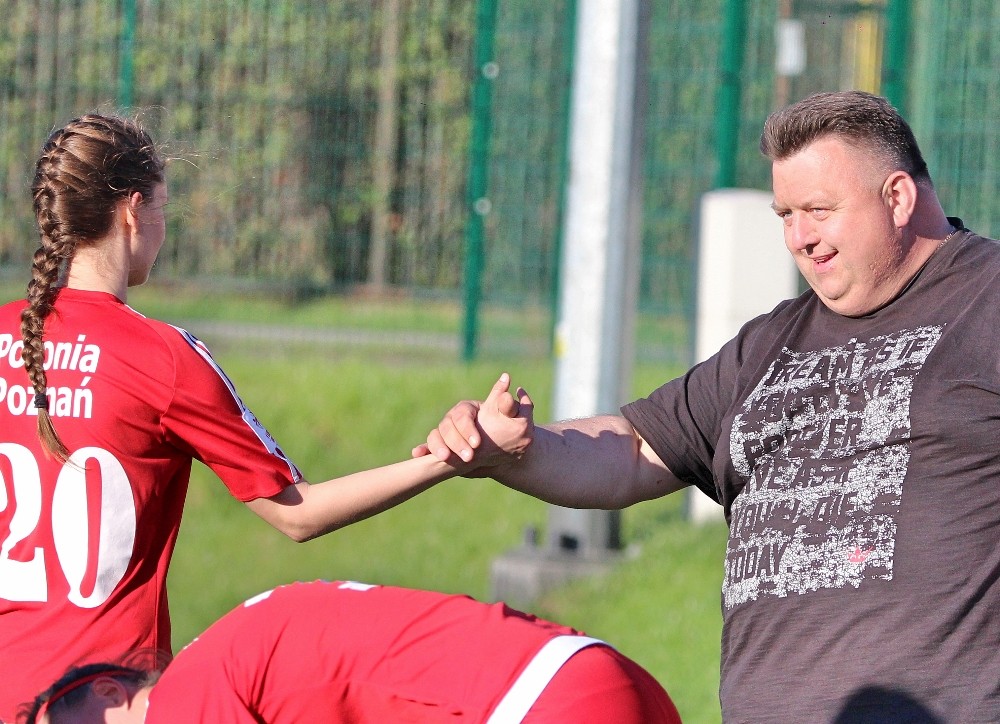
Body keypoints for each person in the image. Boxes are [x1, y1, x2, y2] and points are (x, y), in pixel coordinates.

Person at [416, 90, 1000, 722]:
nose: (799, 238)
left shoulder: (986, 300)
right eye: (785, 215)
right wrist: (520, 451)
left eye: (818, 210)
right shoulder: (770, 343)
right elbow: (636, 449)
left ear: (897, 198)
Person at [0, 113, 532, 721]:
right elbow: (298, 513)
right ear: (133, 210)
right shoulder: (162, 358)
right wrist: (453, 456)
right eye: (164, 207)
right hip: (98, 703)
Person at [19, 579, 681, 724]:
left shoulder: (181, 701)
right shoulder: (222, 654)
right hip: (595, 676)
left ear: (110, 689)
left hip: (535, 705)